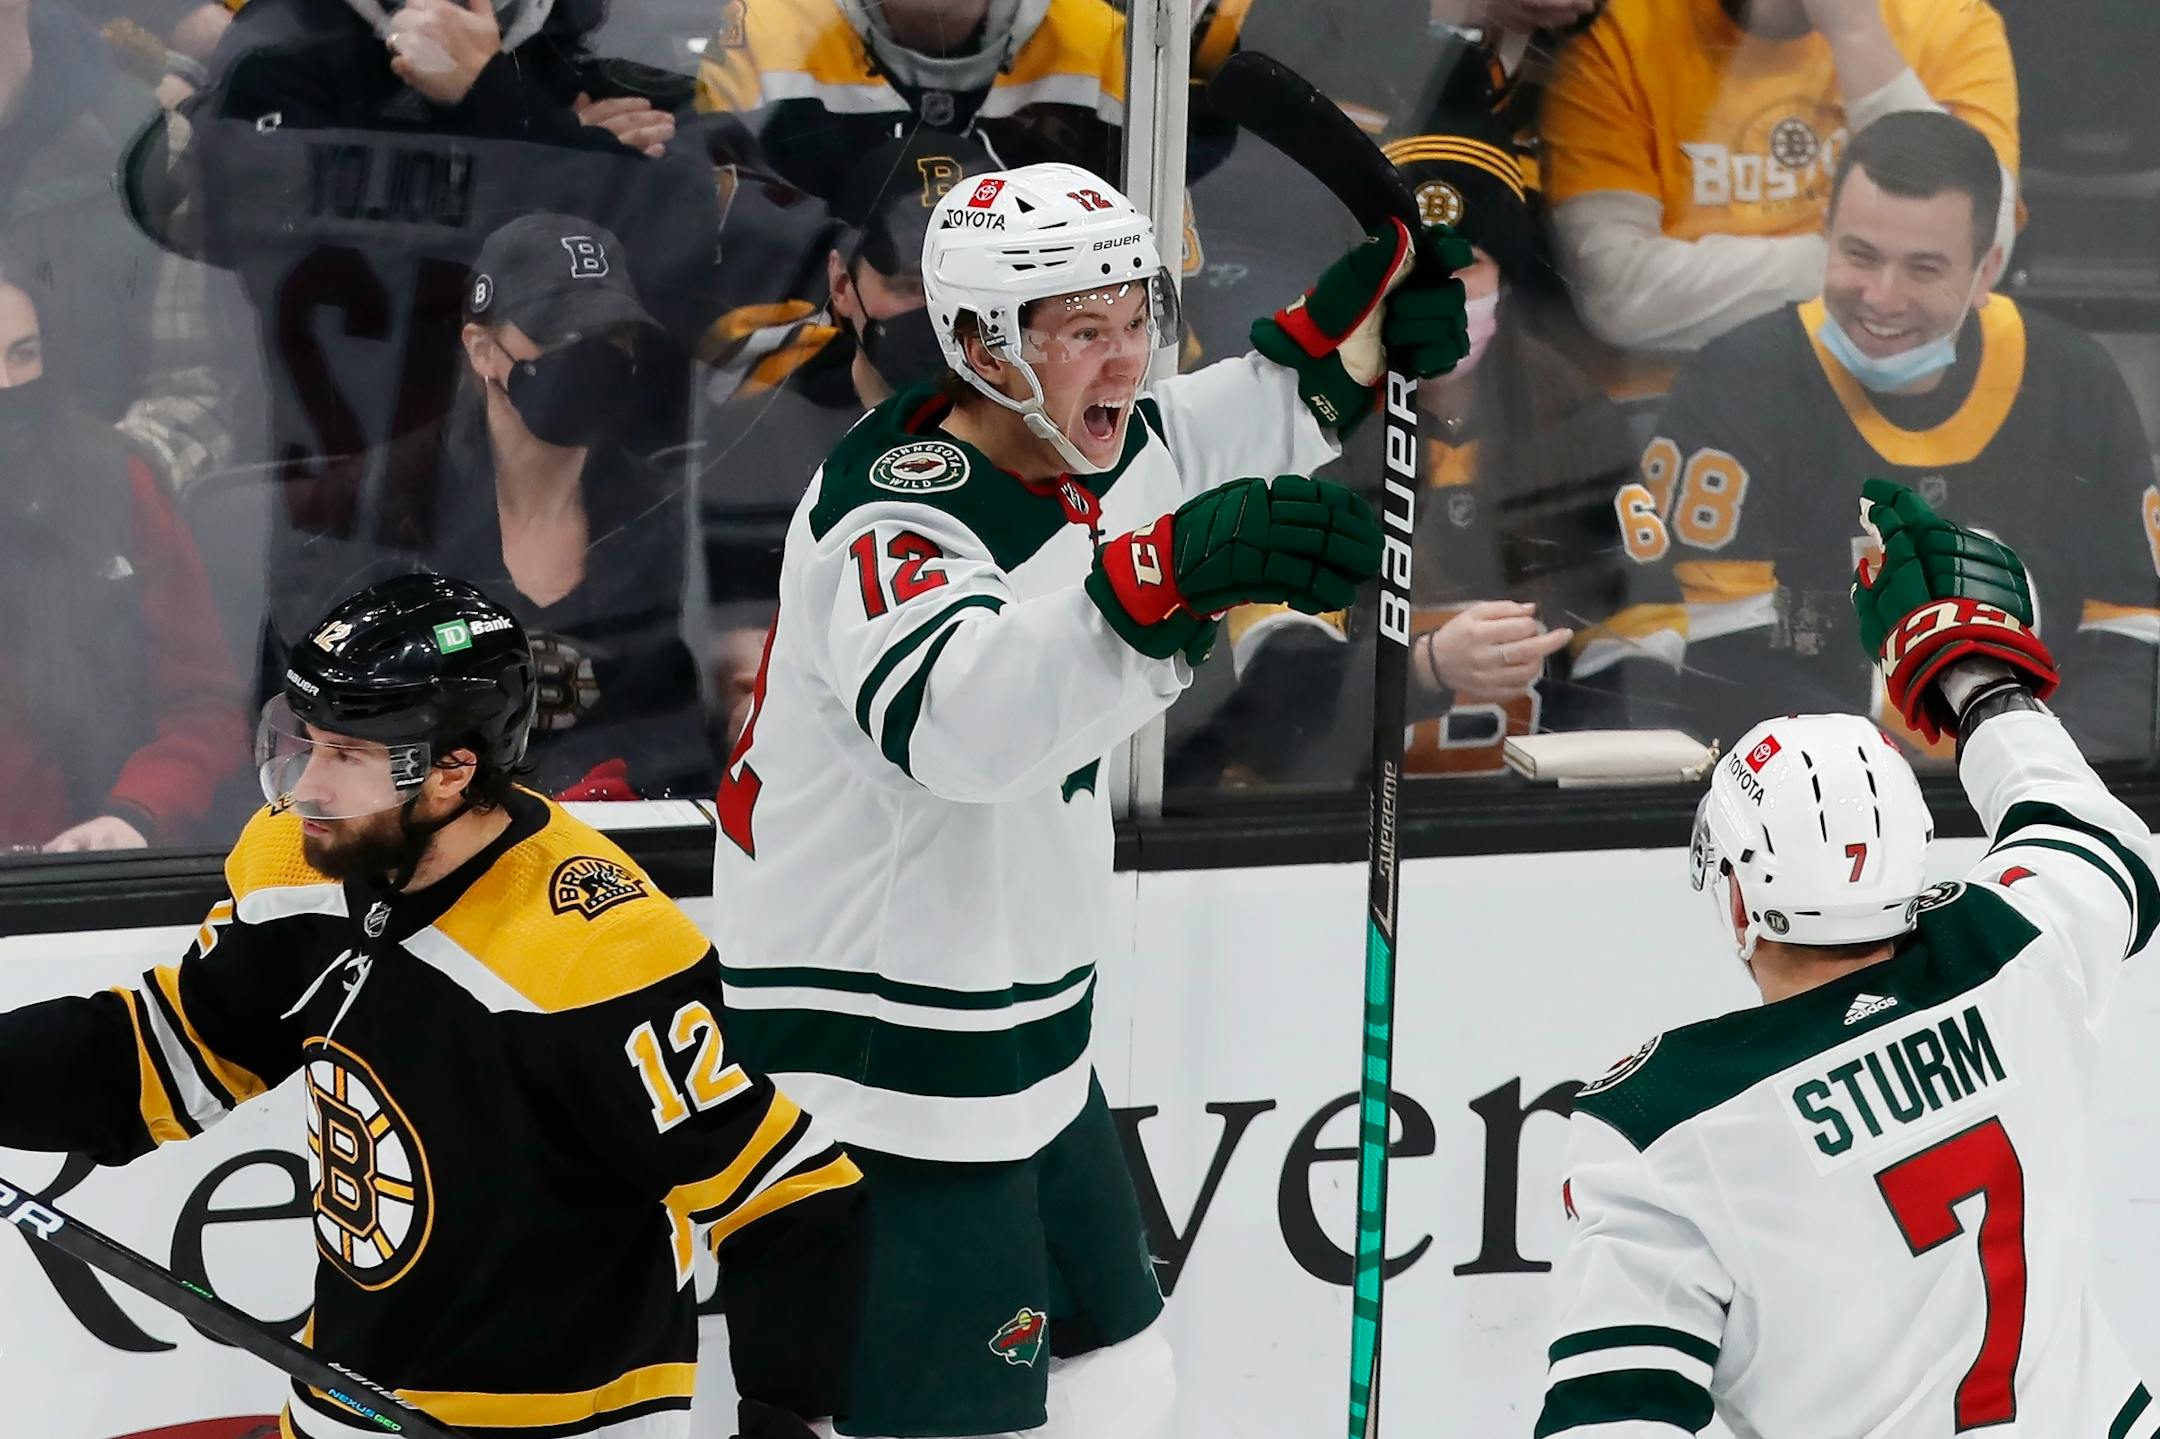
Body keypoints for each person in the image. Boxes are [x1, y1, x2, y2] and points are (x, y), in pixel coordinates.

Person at [709, 161, 1467, 1437]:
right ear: (980, 348)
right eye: (1080, 333)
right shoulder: (892, 519)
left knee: (1119, 1368)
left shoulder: (1080, 441)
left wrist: (1357, 339)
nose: (1125, 361)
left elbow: (1217, 430)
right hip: (883, 1067)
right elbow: (961, 728)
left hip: (1021, 1036)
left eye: (1137, 319)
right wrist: (1162, 584)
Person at [0, 572, 868, 1439]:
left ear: (454, 768)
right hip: (341, 1402)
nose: (308, 785)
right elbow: (169, 1050)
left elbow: (790, 1197)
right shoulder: (300, 859)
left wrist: (790, 1424)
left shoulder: (595, 951)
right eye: (306, 742)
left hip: (561, 1425)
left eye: (348, 756)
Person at [1537, 478, 2160, 1437]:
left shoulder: (1659, 1125)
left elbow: (1615, 1420)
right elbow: (2094, 836)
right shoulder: (2013, 946)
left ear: (1737, 898)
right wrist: (1974, 679)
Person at [1577, 111, 2160, 761]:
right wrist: (1875, 781)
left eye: (1923, 268)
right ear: (1824, 237)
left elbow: (2135, 634)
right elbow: (1718, 668)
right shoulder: (1734, 384)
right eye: (1860, 255)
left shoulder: (2076, 382)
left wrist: (2043, 774)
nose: (1882, 297)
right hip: (1815, 802)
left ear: (1986, 270)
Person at [1174, 120, 1638, 789]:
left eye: (1465, 265)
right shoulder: (1297, 430)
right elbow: (1276, 706)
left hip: (1528, 827)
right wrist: (1425, 668)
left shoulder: (1577, 419)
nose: (1437, 290)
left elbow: (1640, 669)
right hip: (1318, 827)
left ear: (1506, 280)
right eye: (1411, 266)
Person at [274, 214, 719, 800]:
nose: (593, 358)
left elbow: (667, 720)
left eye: (614, 337)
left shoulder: (651, 511)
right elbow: (322, 723)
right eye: (561, 336)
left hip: (617, 834)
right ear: (482, 349)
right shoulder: (380, 506)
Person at [1539, 0, 2018, 356]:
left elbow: (1978, 253)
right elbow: (1618, 294)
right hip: (1673, 401)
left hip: (1879, 389)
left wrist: (1858, 35)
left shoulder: (1950, 22)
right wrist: (1873, 269)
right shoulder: (1621, 35)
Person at [0, 266, 248, 852]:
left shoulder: (113, 482)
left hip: (87, 870)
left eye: (23, 355)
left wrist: (137, 812)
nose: (6, 385)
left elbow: (207, 707)